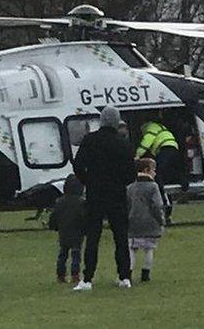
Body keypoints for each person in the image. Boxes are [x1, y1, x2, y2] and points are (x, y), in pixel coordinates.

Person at [72, 105, 136, 291]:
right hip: (116, 194)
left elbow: (78, 165)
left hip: (95, 193)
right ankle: (124, 277)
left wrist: (87, 180)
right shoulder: (123, 143)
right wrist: (120, 182)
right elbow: (131, 173)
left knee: (93, 236)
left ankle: (88, 278)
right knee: (120, 236)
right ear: (117, 122)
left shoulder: (90, 140)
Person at [136, 116, 182, 225]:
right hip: (174, 147)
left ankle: (161, 193)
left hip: (165, 148)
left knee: (157, 172)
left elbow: (147, 142)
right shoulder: (160, 127)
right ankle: (168, 211)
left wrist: (137, 156)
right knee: (167, 173)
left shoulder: (150, 128)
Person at [127, 158, 165, 283]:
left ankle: (129, 272)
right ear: (146, 170)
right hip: (150, 222)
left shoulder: (131, 187)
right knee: (149, 248)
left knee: (132, 248)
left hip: (133, 221)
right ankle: (145, 273)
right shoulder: (153, 187)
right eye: (153, 169)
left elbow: (127, 205)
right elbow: (157, 205)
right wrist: (161, 220)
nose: (155, 172)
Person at [48, 174, 85, 284]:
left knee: (62, 255)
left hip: (63, 232)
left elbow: (54, 216)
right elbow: (84, 217)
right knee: (76, 254)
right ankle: (75, 275)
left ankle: (60, 275)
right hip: (77, 232)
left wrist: (54, 226)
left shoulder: (60, 201)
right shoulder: (80, 202)